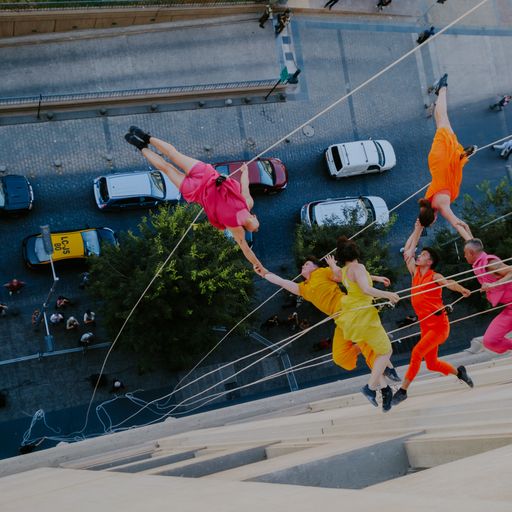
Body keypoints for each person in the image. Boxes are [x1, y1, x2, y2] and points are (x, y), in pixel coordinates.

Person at [125, 126, 263, 271]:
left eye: (256, 230)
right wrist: (245, 171)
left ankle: (141, 146)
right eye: (258, 227)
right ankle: (147, 138)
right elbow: (245, 185)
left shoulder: (236, 228)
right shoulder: (248, 203)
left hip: (195, 190)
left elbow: (245, 249)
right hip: (205, 175)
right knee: (173, 154)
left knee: (166, 168)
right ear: (254, 216)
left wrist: (257, 265)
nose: (256, 229)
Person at [256, 254, 401, 382]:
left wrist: (374, 278)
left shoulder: (322, 272)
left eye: (307, 264)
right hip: (339, 319)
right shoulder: (303, 289)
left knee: (364, 342)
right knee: (340, 357)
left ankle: (385, 372)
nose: (303, 265)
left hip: (348, 310)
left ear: (315, 267)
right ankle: (373, 348)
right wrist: (265, 273)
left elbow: (345, 277)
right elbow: (282, 282)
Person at [392, 221, 473, 406]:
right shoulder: (415, 273)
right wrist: (417, 229)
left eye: (423, 255)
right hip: (425, 326)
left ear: (429, 262)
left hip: (438, 327)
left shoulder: (434, 276)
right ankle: (460, 373)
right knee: (431, 363)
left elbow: (449, 282)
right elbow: (407, 250)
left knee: (416, 352)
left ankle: (403, 390)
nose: (419, 256)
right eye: (420, 254)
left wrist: (461, 289)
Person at [335, 237, 400, 412]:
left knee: (381, 351)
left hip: (354, 316)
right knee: (386, 351)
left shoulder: (345, 270)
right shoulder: (359, 267)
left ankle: (386, 377)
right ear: (357, 252)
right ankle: (370, 387)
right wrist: (388, 295)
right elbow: (365, 289)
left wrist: (377, 277)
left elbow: (359, 279)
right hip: (365, 317)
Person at [415, 73, 476, 242]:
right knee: (441, 120)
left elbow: (456, 223)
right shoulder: (427, 201)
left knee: (443, 119)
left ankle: (442, 89)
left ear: (434, 218)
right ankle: (440, 94)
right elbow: (420, 221)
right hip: (439, 162)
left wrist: (470, 239)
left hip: (443, 160)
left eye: (433, 222)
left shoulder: (441, 206)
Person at [464, 239, 512, 354]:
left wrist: (493, 284)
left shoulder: (490, 263)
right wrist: (452, 220)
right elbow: (468, 238)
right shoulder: (479, 264)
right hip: (510, 309)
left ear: (471, 252)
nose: (464, 256)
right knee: (490, 341)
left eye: (465, 253)